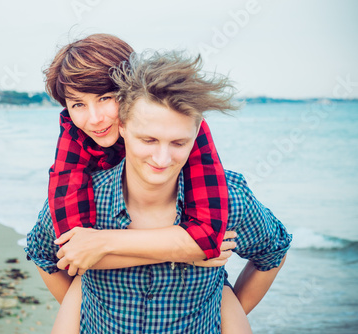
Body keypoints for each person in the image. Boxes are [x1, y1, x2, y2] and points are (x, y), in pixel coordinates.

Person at [26, 51, 292, 333]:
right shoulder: (83, 195)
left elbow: (273, 250)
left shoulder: (229, 200)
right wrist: (81, 308)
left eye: (178, 143)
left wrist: (225, 310)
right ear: (123, 127)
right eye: (148, 140)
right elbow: (43, 254)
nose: (162, 159)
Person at [46, 34, 229, 267]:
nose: (94, 119)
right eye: (78, 104)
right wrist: (183, 253)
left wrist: (104, 242)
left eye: (105, 98)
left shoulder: (179, 128)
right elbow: (73, 250)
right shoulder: (74, 133)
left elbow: (207, 236)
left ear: (130, 89)